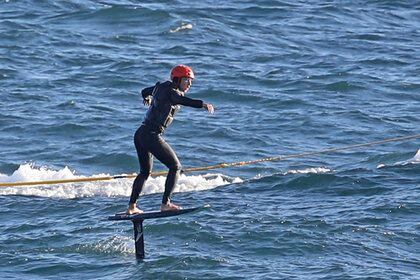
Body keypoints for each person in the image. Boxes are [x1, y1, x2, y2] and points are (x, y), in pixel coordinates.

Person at [126, 65, 214, 214]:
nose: (189, 84)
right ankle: (165, 204)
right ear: (177, 79)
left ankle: (131, 207)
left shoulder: (160, 87)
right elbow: (182, 100)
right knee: (175, 167)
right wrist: (203, 105)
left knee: (144, 172)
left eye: (191, 81)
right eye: (187, 80)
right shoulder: (172, 92)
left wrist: (146, 98)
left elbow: (144, 91)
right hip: (151, 135)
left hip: (140, 134)